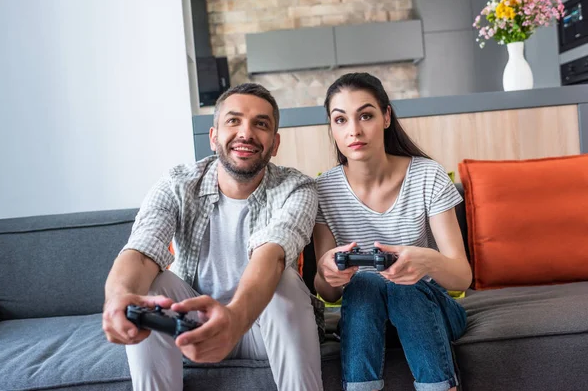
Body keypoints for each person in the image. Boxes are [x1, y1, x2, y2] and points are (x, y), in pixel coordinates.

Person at [102, 83, 323, 391]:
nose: (246, 133)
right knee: (153, 286)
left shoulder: (297, 188)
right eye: (233, 120)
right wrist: (118, 299)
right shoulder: (177, 185)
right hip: (194, 328)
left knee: (283, 280)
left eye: (260, 124)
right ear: (213, 136)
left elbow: (272, 254)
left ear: (275, 143)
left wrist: (233, 320)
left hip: (261, 326)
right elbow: (142, 250)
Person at [313, 73, 471, 391]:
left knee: (401, 281)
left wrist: (423, 261)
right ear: (331, 127)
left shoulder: (427, 175)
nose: (354, 130)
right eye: (340, 119)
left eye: (366, 115)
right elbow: (328, 294)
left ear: (386, 117)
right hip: (364, 320)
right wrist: (328, 272)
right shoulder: (322, 190)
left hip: (432, 311)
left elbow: (462, 277)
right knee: (368, 280)